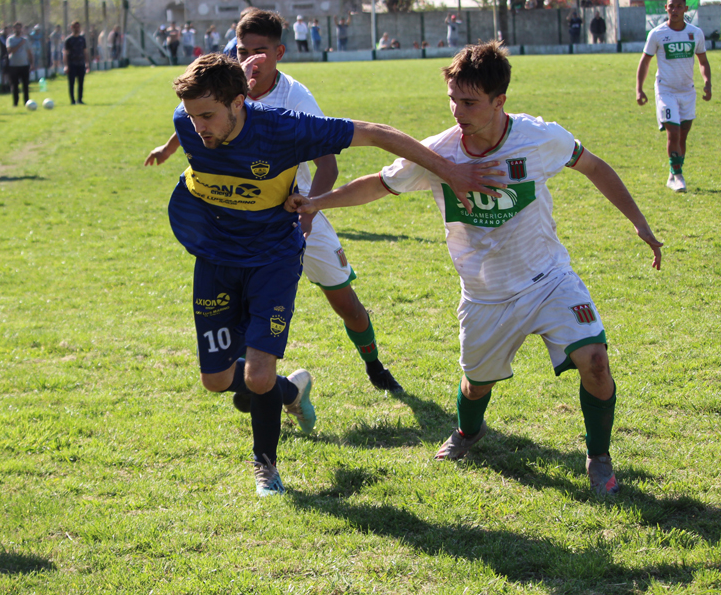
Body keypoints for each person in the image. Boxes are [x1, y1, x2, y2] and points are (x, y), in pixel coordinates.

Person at [287, 41, 664, 496]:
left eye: (469, 102)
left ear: (499, 100)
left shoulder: (539, 137)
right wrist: (317, 203)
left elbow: (595, 167)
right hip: (486, 295)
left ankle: (598, 456)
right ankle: (468, 432)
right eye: (452, 99)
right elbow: (379, 185)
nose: (457, 110)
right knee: (475, 387)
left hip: (549, 278)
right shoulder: (438, 154)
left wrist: (639, 223)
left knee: (597, 363)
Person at [159, 52, 502, 496]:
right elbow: (199, 119)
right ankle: (292, 392)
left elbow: (378, 134)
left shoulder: (285, 127)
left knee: (257, 375)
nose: (197, 125)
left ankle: (266, 469)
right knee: (217, 381)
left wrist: (450, 170)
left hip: (273, 257)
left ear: (239, 104)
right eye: (192, 115)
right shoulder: (188, 122)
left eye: (207, 115)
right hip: (216, 256)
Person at [148, 8, 408, 399]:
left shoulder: (296, 98)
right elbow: (195, 114)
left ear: (280, 52)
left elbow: (328, 165)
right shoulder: (228, 85)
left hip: (297, 209)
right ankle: (266, 386)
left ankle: (374, 365)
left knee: (345, 303)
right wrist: (168, 149)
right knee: (239, 317)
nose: (249, 58)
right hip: (242, 217)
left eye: (260, 50)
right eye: (241, 49)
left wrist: (311, 210)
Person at [636, 0, 711, 193]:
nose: (675, 10)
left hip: (687, 91)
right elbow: (645, 61)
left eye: (679, 6)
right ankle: (677, 175)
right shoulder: (657, 34)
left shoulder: (695, 33)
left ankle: (674, 172)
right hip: (665, 90)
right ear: (666, 8)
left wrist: (707, 83)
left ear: (686, 9)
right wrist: (639, 89)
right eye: (672, 6)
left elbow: (703, 61)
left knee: (683, 135)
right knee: (673, 132)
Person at [6, 22, 33, 107]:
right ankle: (15, 102)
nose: (18, 30)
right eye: (16, 28)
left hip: (24, 65)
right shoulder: (10, 39)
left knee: (25, 85)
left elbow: (29, 52)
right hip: (13, 66)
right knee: (15, 85)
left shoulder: (26, 40)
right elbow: (10, 51)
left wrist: (32, 63)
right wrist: (20, 44)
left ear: (21, 29)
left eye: (19, 28)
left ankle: (27, 102)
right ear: (13, 29)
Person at [64, 21, 88, 105]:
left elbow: (85, 51)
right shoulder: (68, 40)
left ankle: (80, 99)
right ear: (71, 28)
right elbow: (65, 53)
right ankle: (72, 100)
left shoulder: (82, 39)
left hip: (80, 63)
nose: (76, 29)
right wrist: (66, 65)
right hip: (72, 64)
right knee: (72, 83)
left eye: (78, 27)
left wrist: (87, 63)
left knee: (81, 83)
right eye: (75, 27)